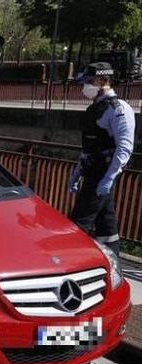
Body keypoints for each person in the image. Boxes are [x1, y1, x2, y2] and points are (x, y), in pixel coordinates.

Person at [68, 61, 136, 255]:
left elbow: (124, 148)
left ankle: (69, 260)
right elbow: (89, 147)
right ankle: (111, 257)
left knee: (80, 220)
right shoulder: (94, 109)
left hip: (103, 172)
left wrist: (109, 178)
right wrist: (77, 172)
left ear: (103, 80)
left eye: (89, 81)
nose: (85, 86)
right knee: (106, 221)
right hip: (92, 169)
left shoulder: (118, 109)